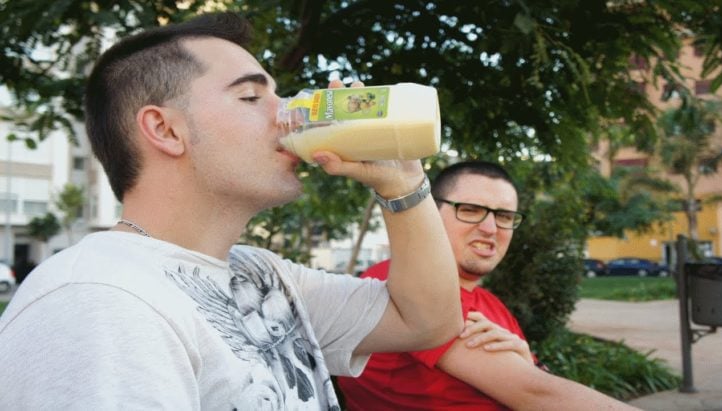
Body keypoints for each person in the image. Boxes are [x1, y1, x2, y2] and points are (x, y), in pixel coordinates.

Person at [0, 12, 465, 409]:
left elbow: (425, 320)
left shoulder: (262, 274)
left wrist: (401, 181)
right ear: (165, 129)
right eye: (251, 97)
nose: (285, 112)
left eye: (278, 95)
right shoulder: (98, 299)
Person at [338, 161, 638, 410]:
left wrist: (533, 370)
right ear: (429, 212)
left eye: (504, 216)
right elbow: (536, 393)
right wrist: (532, 375)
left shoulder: (489, 303)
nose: (490, 228)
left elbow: (535, 379)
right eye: (469, 209)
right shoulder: (398, 283)